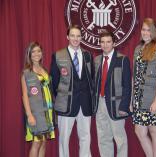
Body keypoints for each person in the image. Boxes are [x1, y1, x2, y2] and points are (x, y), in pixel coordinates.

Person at [50, 25, 94, 157]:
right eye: (73, 35)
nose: (75, 39)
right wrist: (63, 97)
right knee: (64, 138)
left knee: (86, 137)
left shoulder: (88, 55)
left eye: (78, 36)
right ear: (67, 37)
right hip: (66, 104)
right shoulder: (58, 55)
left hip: (84, 104)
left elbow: (90, 79)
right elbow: (54, 82)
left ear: (81, 38)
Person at [132, 18, 156, 157]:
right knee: (140, 132)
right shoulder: (137, 48)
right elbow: (134, 75)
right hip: (138, 97)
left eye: (149, 30)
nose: (145, 33)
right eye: (143, 29)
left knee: (154, 131)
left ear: (154, 32)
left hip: (153, 96)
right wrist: (131, 99)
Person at [93, 30, 131, 157]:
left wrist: (124, 106)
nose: (105, 45)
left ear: (113, 43)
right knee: (103, 138)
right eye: (102, 42)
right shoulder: (97, 60)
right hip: (100, 104)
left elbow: (127, 85)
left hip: (117, 105)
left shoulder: (122, 59)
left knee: (120, 139)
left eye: (108, 42)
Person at [21, 41, 55, 157]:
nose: (36, 54)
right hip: (36, 112)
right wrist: (29, 114)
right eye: (33, 51)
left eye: (39, 51)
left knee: (44, 142)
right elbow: (24, 95)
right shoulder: (26, 73)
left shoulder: (44, 69)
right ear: (29, 54)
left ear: (42, 53)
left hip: (48, 111)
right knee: (36, 143)